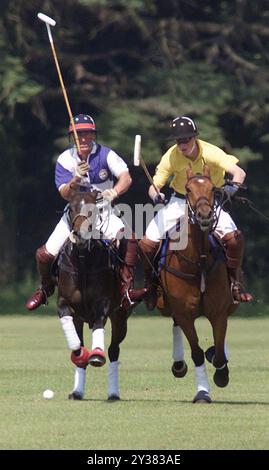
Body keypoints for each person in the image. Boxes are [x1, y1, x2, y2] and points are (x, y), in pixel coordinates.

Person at [26, 113, 146, 311]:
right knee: (45, 255)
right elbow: (64, 193)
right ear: (72, 137)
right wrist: (75, 178)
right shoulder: (66, 159)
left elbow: (126, 177)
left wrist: (114, 191)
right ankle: (46, 288)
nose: (83, 138)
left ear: (93, 136)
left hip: (103, 213)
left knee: (130, 239)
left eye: (87, 134)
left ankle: (126, 289)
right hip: (76, 214)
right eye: (78, 134)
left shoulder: (106, 154)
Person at [139, 115, 253, 310]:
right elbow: (155, 185)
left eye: (187, 139)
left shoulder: (211, 152)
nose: (183, 144)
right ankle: (151, 285)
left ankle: (235, 283)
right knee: (146, 244)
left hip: (208, 202)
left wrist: (232, 189)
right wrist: (156, 196)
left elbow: (239, 173)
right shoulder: (171, 155)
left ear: (194, 138)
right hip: (179, 201)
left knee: (234, 240)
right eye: (179, 140)